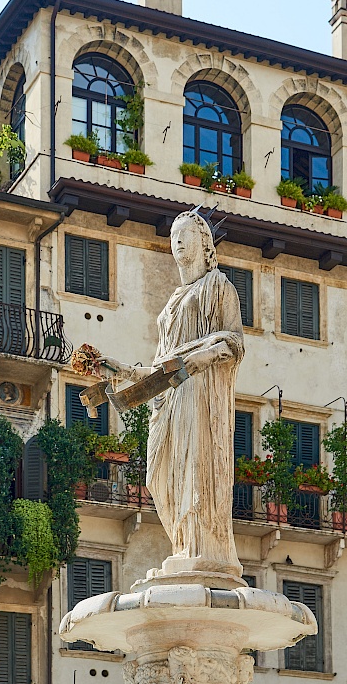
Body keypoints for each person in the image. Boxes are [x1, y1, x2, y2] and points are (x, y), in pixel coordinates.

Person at [101, 209, 244, 577]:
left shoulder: (219, 286)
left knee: (196, 468)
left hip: (201, 392)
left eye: (186, 234)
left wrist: (201, 357)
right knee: (160, 476)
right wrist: (125, 372)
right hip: (172, 396)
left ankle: (202, 548)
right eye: (173, 235)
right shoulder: (171, 304)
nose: (178, 240)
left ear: (204, 242)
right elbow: (161, 366)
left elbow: (234, 342)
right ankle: (183, 544)